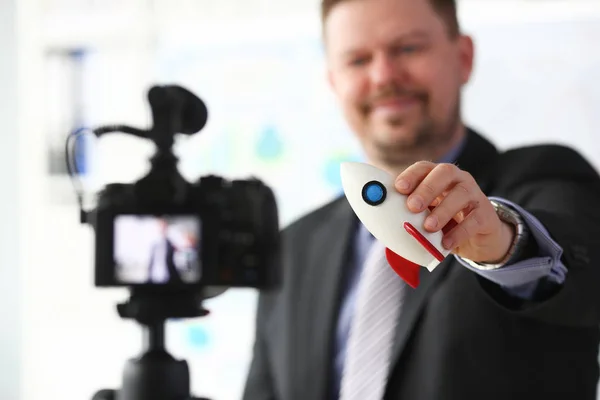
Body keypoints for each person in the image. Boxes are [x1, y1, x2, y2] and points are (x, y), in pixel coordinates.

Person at [241, 0, 600, 399]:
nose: (383, 76)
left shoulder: (545, 175)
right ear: (334, 81)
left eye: (408, 49)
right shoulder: (294, 247)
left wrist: (503, 242)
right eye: (358, 60)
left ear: (463, 58)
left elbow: (582, 271)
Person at [147, 218, 183, 284]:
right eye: (161, 226)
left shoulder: (170, 243)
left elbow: (176, 255)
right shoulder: (154, 244)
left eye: (164, 226)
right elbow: (151, 262)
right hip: (154, 277)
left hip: (168, 278)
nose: (162, 228)